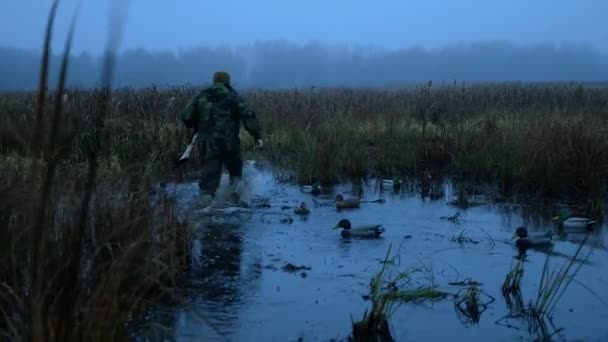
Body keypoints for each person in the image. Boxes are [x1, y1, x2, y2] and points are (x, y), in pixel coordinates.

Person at [180, 71, 263, 206]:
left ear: (214, 81)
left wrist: (196, 123)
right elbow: (249, 117)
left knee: (208, 180)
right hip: (230, 144)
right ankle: (235, 198)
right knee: (235, 173)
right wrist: (257, 136)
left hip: (207, 145)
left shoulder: (202, 96)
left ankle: (206, 207)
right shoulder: (234, 97)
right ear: (228, 81)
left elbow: (186, 116)